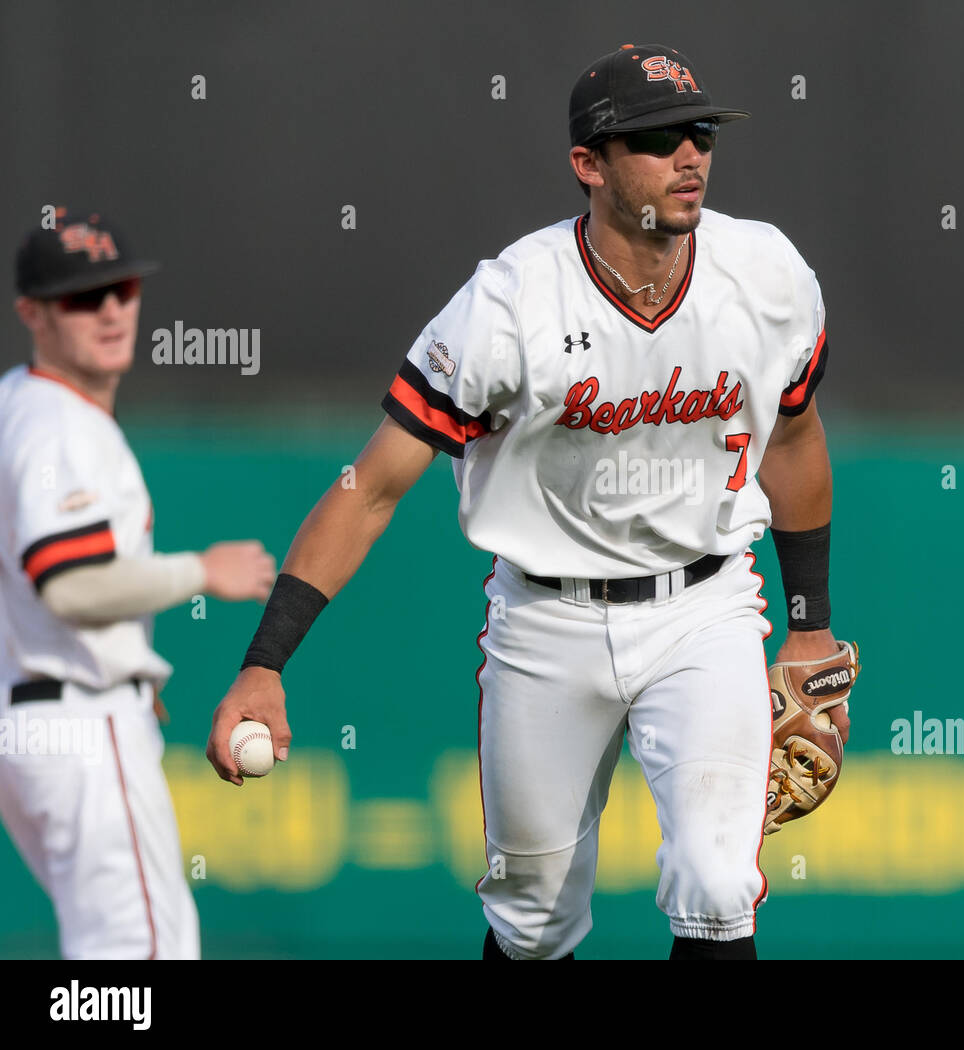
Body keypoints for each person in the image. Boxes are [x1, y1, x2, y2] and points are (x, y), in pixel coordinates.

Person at [205, 43, 846, 961]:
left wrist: (811, 624)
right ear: (590, 164)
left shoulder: (767, 274)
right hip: (548, 622)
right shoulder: (508, 305)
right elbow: (374, 485)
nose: (690, 155)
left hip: (705, 606)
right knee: (533, 919)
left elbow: (792, 437)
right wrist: (265, 662)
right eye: (657, 138)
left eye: (699, 131)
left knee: (716, 884)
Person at [0, 209, 276, 958]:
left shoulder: (18, 406)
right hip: (83, 730)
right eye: (83, 297)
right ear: (33, 312)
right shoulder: (60, 427)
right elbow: (68, 586)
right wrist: (200, 572)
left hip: (41, 719)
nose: (112, 310)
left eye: (121, 289)